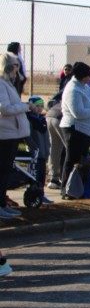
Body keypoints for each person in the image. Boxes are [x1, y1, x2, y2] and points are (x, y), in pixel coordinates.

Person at [59, 62, 90, 199]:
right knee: (71, 159)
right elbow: (78, 113)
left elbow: (89, 104)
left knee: (82, 161)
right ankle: (66, 189)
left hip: (85, 131)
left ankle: (79, 188)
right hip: (74, 129)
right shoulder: (73, 90)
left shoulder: (85, 87)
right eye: (87, 76)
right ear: (81, 76)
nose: (89, 78)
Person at [0, 52, 32, 218]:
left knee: (5, 171)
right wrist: (25, 107)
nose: (17, 69)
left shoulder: (8, 84)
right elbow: (4, 109)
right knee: (2, 171)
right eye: (15, 65)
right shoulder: (1, 84)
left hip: (12, 133)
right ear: (8, 67)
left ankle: (2, 203)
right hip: (5, 134)